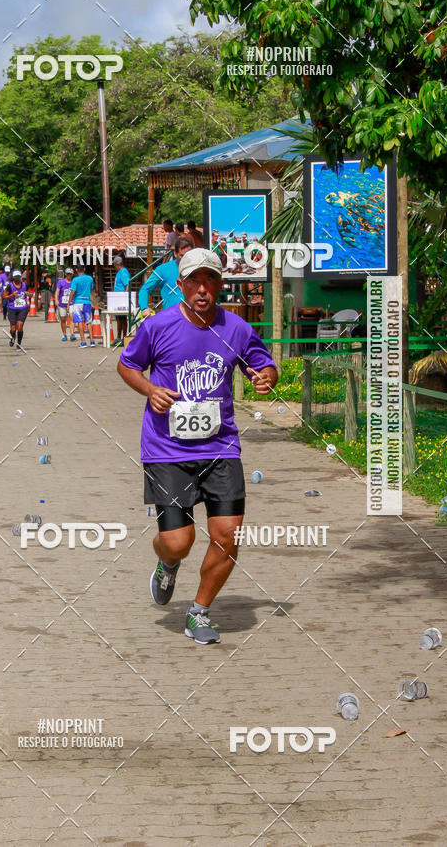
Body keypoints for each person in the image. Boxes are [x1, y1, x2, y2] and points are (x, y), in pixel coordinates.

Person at [117, 248, 278, 644]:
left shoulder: (237, 328)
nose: (202, 289)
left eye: (209, 281)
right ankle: (166, 563)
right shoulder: (158, 326)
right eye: (194, 281)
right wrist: (151, 389)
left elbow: (263, 364)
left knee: (227, 535)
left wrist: (267, 377)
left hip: (221, 448)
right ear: (182, 284)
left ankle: (200, 611)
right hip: (167, 450)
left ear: (220, 284)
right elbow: (127, 364)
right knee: (179, 541)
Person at [138, 235, 194, 318]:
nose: (185, 259)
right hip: (170, 319)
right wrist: (144, 308)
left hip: (193, 319)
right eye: (182, 256)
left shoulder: (198, 269)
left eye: (188, 255)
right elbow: (145, 289)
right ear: (175, 253)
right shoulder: (163, 269)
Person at [68, 266, 96, 348]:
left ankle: (83, 342)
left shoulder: (75, 280)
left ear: (76, 270)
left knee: (80, 322)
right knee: (88, 322)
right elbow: (91, 289)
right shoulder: (90, 278)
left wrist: (69, 303)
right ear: (84, 269)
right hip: (87, 302)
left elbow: (72, 292)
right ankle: (92, 341)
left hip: (77, 302)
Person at [3, 269, 30, 349]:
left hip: (23, 308)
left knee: (20, 326)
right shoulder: (9, 286)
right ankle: (13, 337)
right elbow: (4, 297)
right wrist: (12, 295)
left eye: (19, 277)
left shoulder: (25, 285)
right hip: (12, 309)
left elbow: (31, 294)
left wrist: (29, 294)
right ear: (13, 278)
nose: (17, 279)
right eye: (16, 277)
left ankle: (19, 344)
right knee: (13, 329)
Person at [111, 255, 131, 347]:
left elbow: (127, 284)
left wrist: (125, 296)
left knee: (122, 319)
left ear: (116, 264)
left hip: (121, 298)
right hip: (117, 298)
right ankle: (118, 337)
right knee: (118, 318)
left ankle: (124, 337)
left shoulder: (123, 272)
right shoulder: (120, 272)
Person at [55, 268, 77, 342]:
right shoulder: (61, 282)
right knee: (63, 320)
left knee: (71, 317)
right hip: (62, 304)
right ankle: (64, 334)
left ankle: (72, 334)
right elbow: (57, 291)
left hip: (71, 303)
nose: (69, 275)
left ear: (72, 275)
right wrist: (56, 299)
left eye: (70, 274)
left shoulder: (74, 282)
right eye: (68, 274)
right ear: (65, 274)